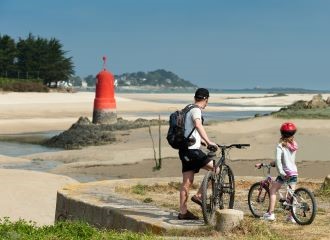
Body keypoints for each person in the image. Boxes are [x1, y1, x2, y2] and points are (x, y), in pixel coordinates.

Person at [177, 88, 218, 220]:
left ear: (195, 97)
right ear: (205, 99)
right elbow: (198, 125)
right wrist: (208, 141)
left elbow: (189, 130)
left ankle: (183, 212)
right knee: (216, 169)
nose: (207, 103)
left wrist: (200, 141)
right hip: (192, 151)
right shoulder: (196, 110)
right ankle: (199, 196)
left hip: (184, 150)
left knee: (187, 182)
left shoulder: (187, 108)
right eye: (207, 101)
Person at [256, 122, 298, 223]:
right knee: (291, 195)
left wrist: (281, 172)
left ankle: (270, 214)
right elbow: (286, 159)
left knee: (272, 190)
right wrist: (272, 163)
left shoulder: (280, 146)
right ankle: (292, 216)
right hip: (294, 172)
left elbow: (279, 161)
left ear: (282, 133)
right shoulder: (294, 145)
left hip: (285, 173)